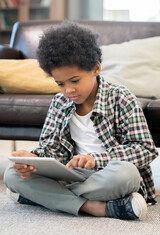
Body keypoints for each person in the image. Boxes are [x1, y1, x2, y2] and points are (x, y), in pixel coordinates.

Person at [4, 21, 159, 220]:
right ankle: (95, 207)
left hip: (107, 175)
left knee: (127, 174)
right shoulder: (59, 103)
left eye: (75, 80)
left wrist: (96, 159)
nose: (68, 90)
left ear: (95, 68)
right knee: (12, 174)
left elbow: (145, 149)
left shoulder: (122, 97)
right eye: (60, 83)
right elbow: (52, 150)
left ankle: (40, 196)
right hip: (71, 175)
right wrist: (33, 159)